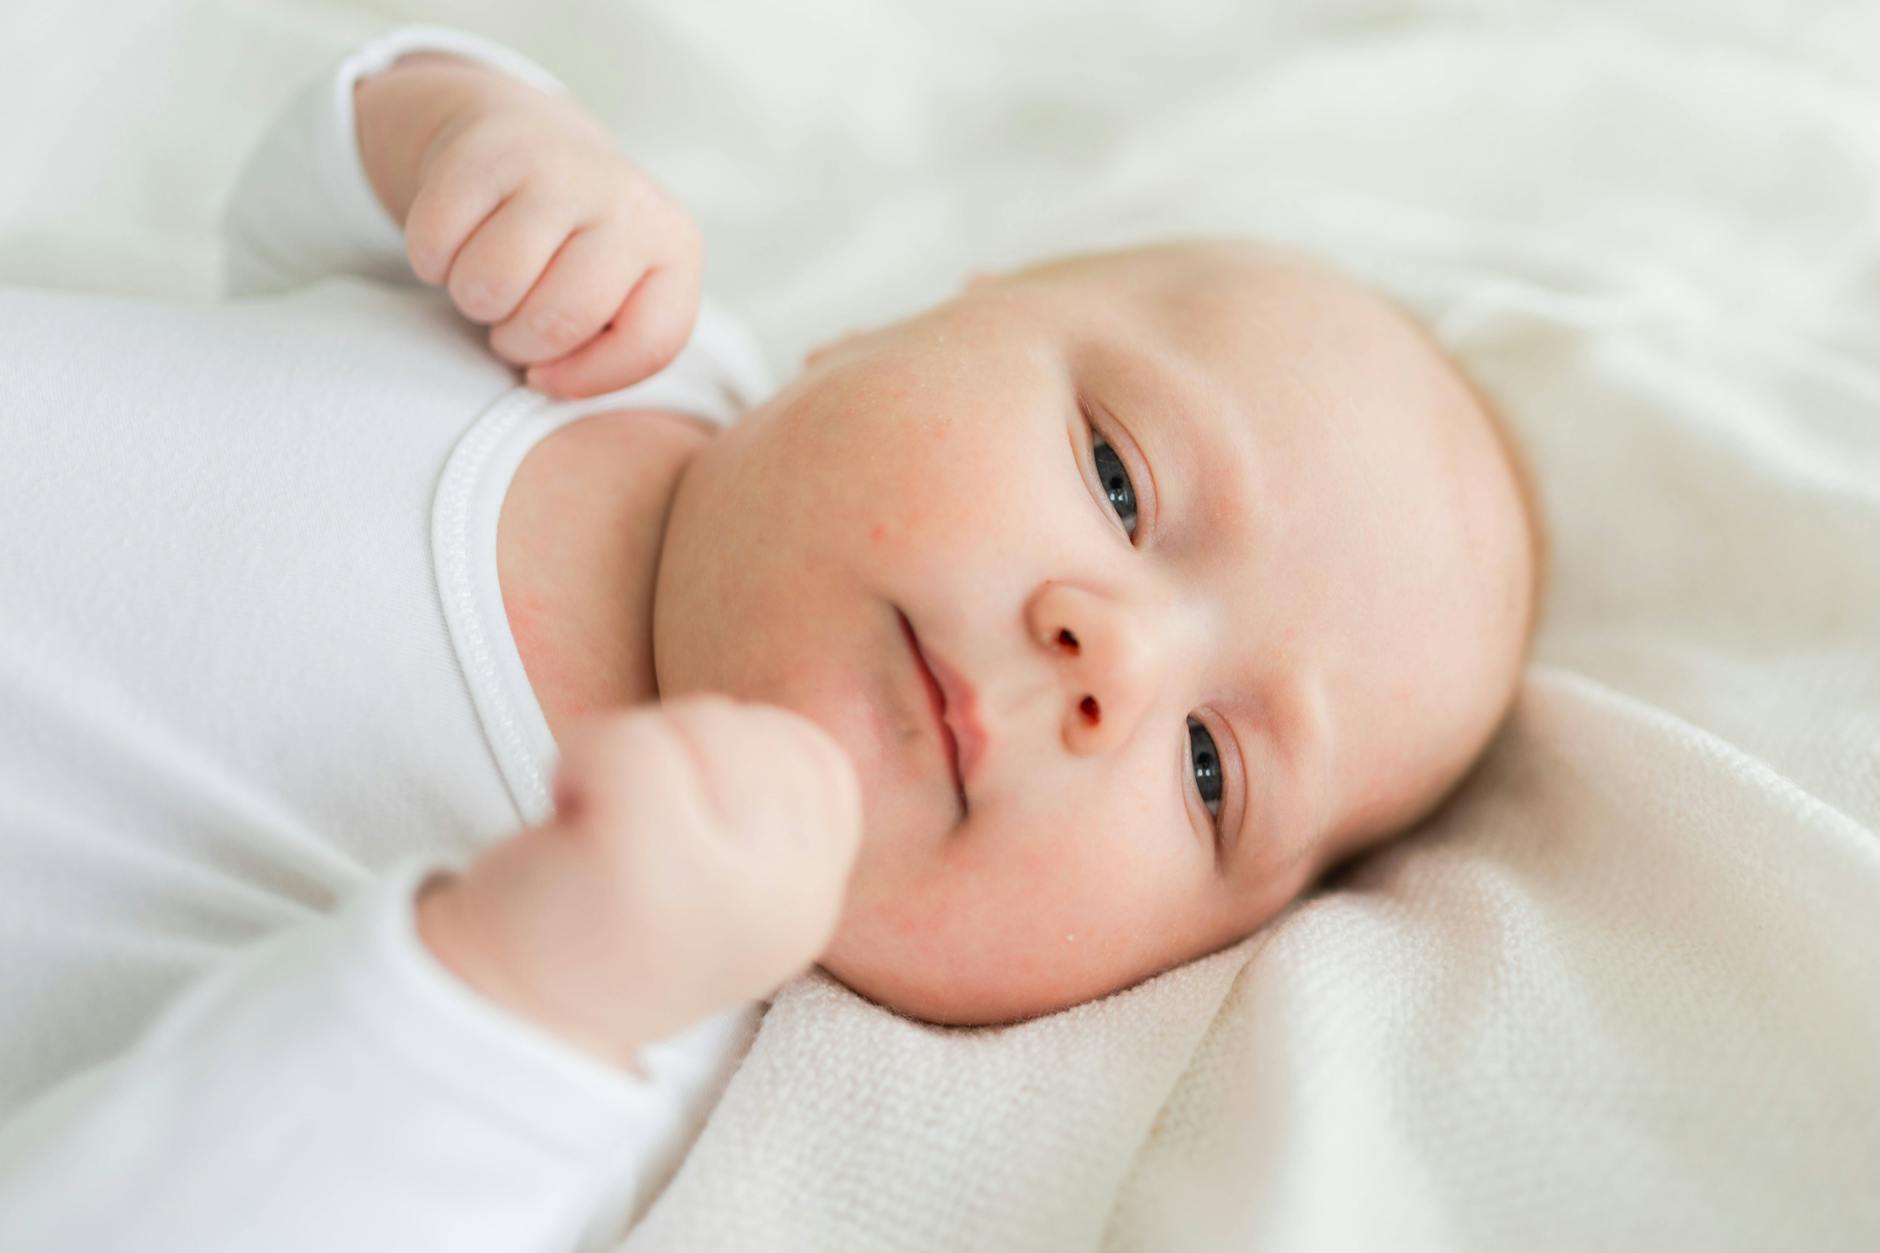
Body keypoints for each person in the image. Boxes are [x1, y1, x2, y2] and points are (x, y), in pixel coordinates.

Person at [0, 23, 1540, 1251]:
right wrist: (471, 131)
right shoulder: (610, 333)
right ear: (900, 326)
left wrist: (523, 988)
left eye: (1210, 771)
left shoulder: (628, 1044)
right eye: (1118, 478)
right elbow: (291, 218)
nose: (1113, 664)